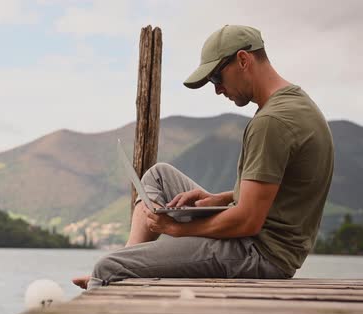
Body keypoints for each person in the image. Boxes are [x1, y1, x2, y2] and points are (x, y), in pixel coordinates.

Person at [73, 25, 334, 290]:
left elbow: (248, 220)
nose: (218, 90)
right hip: (265, 244)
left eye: (216, 78)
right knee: (159, 175)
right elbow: (284, 191)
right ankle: (129, 259)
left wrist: (177, 230)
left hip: (258, 254)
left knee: (108, 266)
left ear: (243, 60)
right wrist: (221, 198)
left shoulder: (271, 122)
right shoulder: (298, 104)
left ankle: (114, 271)